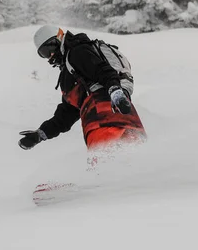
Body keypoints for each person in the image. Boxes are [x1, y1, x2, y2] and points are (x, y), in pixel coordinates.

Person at [18, 25, 147, 156]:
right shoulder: (68, 74)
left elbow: (103, 71)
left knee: (109, 166)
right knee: (130, 163)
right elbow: (66, 114)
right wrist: (40, 134)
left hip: (105, 117)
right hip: (108, 119)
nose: (50, 55)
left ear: (59, 38)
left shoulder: (77, 52)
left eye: (50, 48)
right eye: (44, 54)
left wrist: (116, 92)